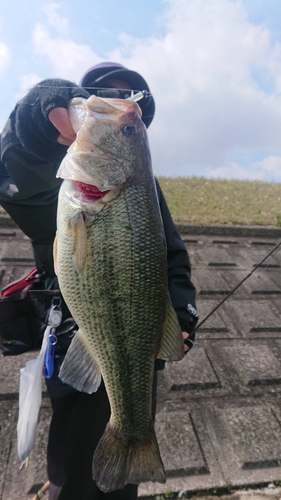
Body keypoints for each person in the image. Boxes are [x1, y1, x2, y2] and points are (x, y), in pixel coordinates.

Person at [0, 62, 198, 500]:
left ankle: (132, 454)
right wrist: (35, 119)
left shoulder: (141, 186)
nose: (123, 104)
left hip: (141, 340)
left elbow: (171, 256)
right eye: (108, 93)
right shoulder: (62, 171)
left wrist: (182, 310)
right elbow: (17, 177)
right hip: (80, 335)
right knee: (73, 473)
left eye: (132, 104)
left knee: (122, 480)